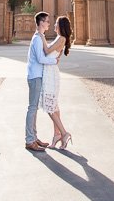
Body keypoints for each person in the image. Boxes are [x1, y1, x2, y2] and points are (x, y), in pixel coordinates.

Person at [25, 11, 59, 151]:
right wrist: (54, 61)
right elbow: (40, 58)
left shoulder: (40, 37)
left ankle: (33, 137)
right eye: (47, 21)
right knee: (32, 108)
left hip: (37, 75)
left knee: (35, 108)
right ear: (41, 23)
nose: (49, 23)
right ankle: (29, 140)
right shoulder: (37, 39)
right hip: (35, 76)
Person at [38, 15, 73, 149]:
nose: (54, 26)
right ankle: (56, 135)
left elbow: (46, 51)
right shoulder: (61, 38)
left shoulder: (60, 38)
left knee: (49, 105)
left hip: (51, 74)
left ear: (61, 26)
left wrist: (41, 36)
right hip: (50, 72)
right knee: (54, 105)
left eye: (56, 24)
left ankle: (64, 133)